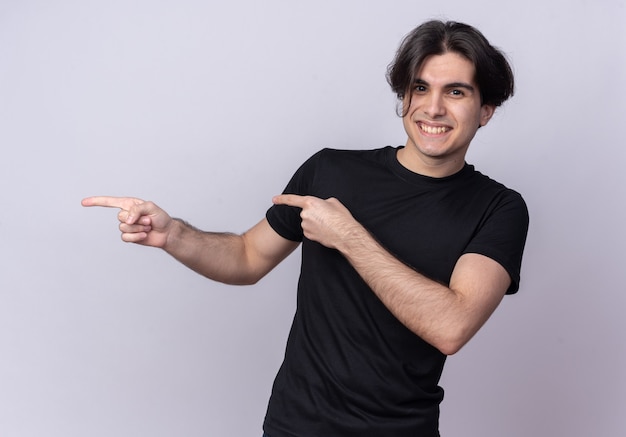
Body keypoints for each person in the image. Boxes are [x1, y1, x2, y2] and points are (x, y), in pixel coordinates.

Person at [82, 20, 529, 437]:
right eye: (420, 88)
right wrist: (173, 235)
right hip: (295, 425)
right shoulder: (331, 171)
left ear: (486, 109)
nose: (432, 108)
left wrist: (348, 237)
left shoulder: (499, 209)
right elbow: (247, 256)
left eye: (455, 92)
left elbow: (451, 326)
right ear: (404, 96)